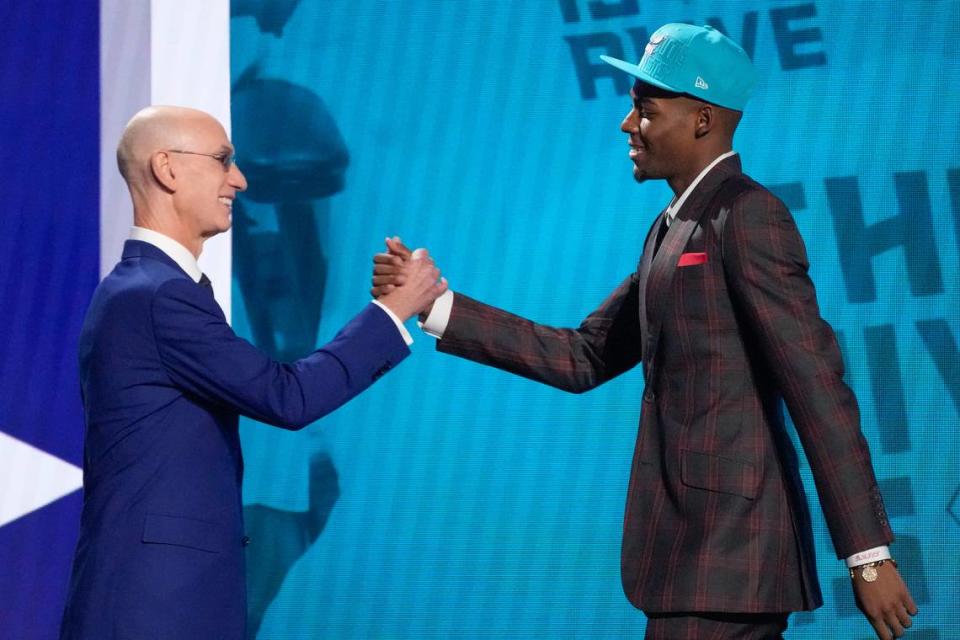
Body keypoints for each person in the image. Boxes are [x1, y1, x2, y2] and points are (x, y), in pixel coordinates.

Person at [372, 24, 917, 640]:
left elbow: (818, 390)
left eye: (645, 109)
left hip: (729, 563)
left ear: (703, 120)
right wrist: (437, 305)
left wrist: (868, 556)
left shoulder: (748, 216)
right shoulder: (671, 227)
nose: (628, 125)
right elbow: (583, 356)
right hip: (692, 565)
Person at [59, 105, 447, 639]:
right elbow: (289, 398)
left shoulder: (149, 291)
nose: (239, 180)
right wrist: (393, 311)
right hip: (153, 609)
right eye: (222, 161)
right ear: (167, 169)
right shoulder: (156, 295)